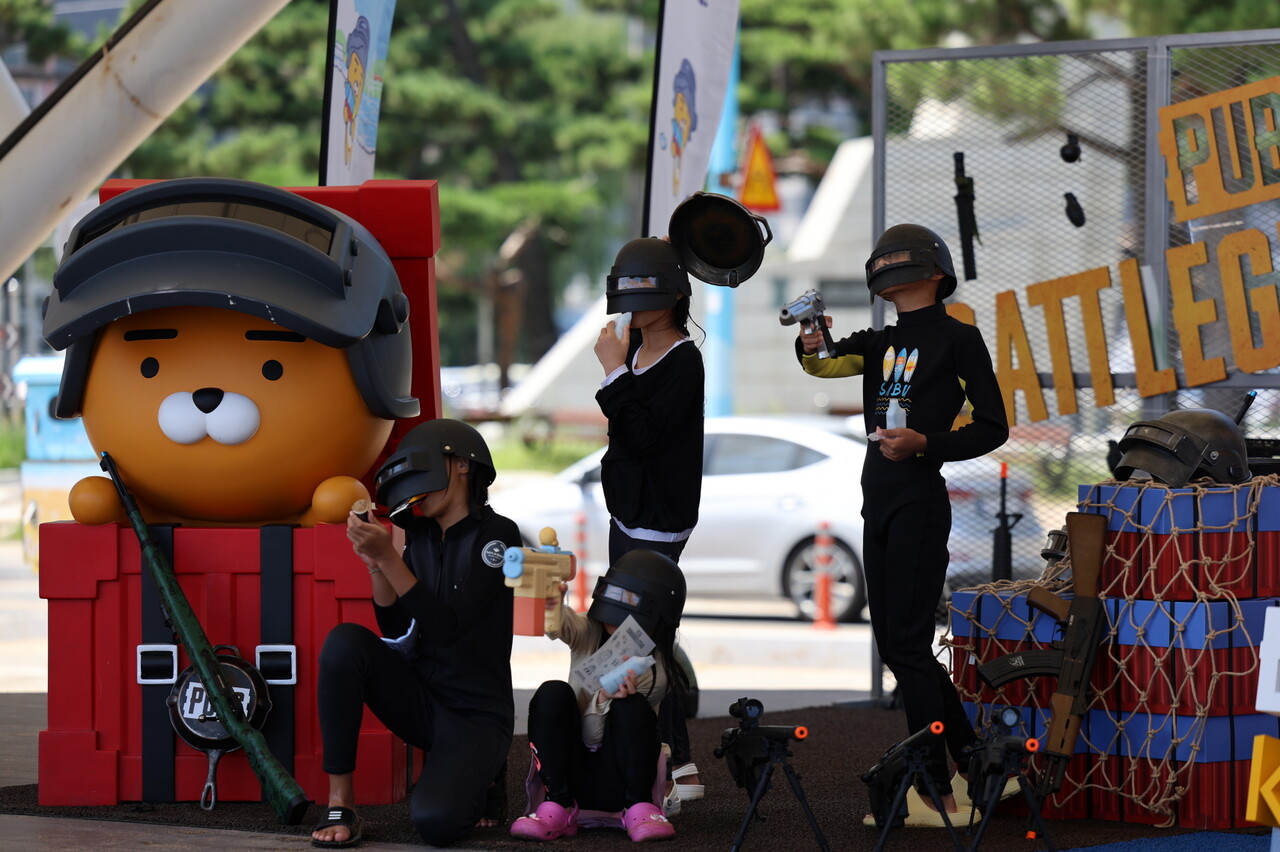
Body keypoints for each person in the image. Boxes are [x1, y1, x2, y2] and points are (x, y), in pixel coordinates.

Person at [794, 224, 1009, 827]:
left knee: (909, 648)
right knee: (898, 646)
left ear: (936, 273)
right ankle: (972, 759)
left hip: (918, 498)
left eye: (901, 261)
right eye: (883, 262)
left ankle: (936, 786)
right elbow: (822, 365)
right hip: (878, 500)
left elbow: (993, 426)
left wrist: (925, 442)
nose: (890, 270)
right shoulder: (877, 340)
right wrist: (811, 333)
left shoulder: (959, 339)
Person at [311, 419, 520, 848]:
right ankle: (341, 801)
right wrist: (376, 564)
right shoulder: (419, 536)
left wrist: (389, 558)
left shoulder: (498, 535)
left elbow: (449, 627)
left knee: (436, 824)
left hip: (476, 714)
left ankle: (487, 774)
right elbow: (394, 628)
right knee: (344, 644)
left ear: (462, 465)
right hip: (424, 702)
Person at [592, 236, 705, 810]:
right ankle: (658, 761)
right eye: (626, 290)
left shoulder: (684, 359)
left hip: (659, 521)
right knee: (634, 635)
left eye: (647, 290)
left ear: (675, 296)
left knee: (640, 638)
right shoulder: (634, 351)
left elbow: (640, 433)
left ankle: (670, 765)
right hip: (626, 512)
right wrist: (621, 367)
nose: (633, 302)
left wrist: (614, 373)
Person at [510, 549, 689, 842]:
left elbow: (595, 736)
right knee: (552, 692)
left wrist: (606, 699)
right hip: (572, 771)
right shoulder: (590, 630)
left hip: (617, 777)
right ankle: (558, 804)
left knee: (631, 707)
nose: (617, 622)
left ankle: (638, 806)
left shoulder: (654, 672)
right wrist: (552, 602)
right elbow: (560, 627)